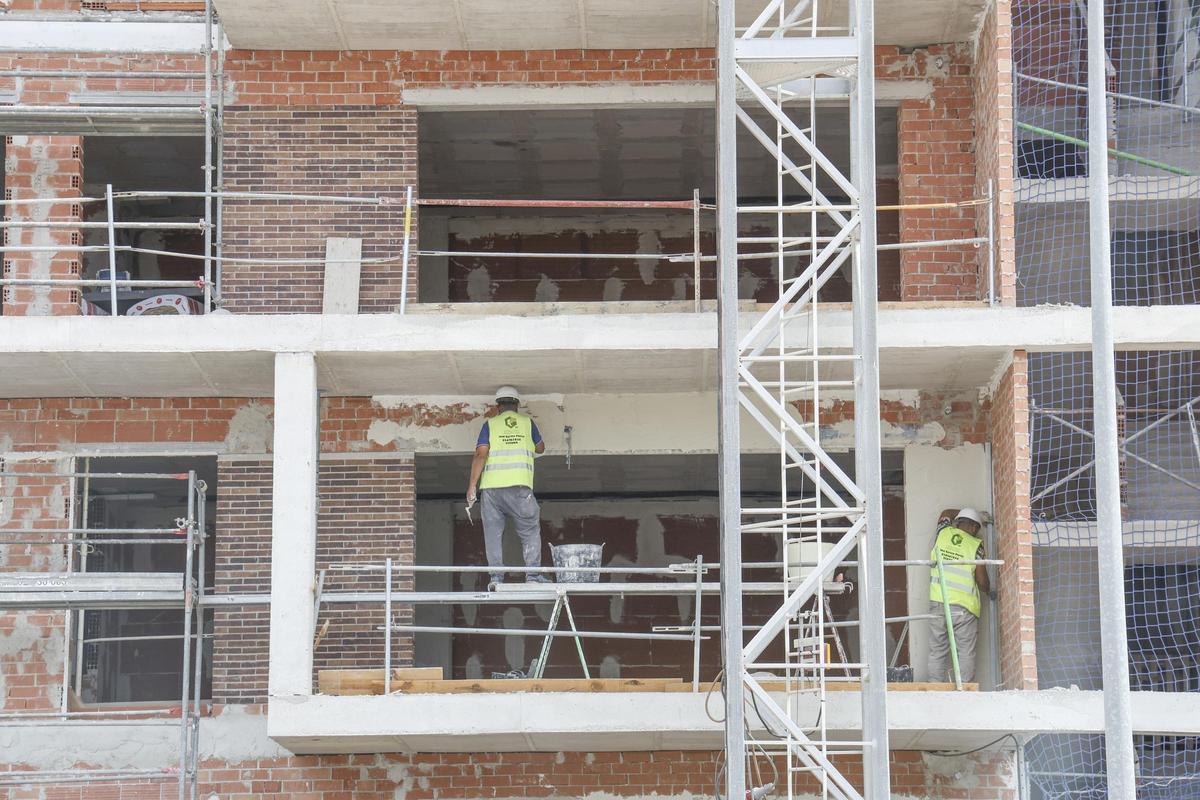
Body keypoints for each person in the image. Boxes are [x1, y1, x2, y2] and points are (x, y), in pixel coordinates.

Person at [466, 386, 550, 588]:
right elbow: (541, 448)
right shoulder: (527, 423)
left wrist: (471, 487)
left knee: (492, 533)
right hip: (520, 488)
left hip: (492, 490)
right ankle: (532, 576)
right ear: (517, 405)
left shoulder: (490, 425)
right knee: (529, 531)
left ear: (498, 406)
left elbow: (480, 454)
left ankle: (496, 577)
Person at [927, 507, 990, 683]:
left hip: (938, 602)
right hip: (964, 608)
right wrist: (989, 590)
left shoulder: (943, 532)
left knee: (937, 649)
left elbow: (945, 512)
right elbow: (982, 581)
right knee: (965, 650)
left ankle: (935, 687)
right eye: (977, 528)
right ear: (974, 527)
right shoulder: (975, 545)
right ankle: (964, 691)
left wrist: (967, 511)